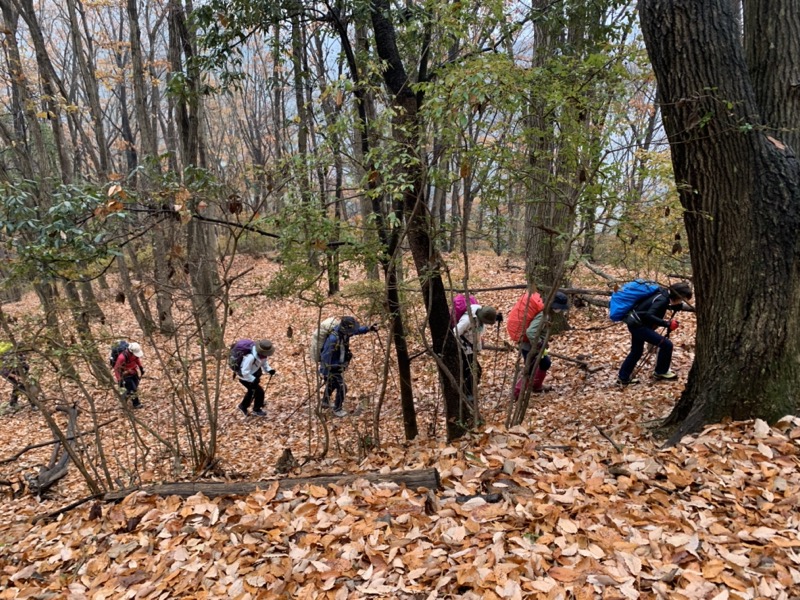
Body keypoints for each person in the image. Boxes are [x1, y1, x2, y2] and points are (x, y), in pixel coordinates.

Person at [617, 281, 693, 385]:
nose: (681, 302)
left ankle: (623, 378)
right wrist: (667, 324)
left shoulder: (662, 294)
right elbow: (649, 314)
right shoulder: (662, 299)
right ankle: (661, 372)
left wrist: (672, 307)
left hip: (634, 322)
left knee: (636, 351)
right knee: (666, 344)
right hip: (639, 326)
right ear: (677, 295)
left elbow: (652, 307)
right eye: (681, 299)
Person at [514, 291, 569, 397]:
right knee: (529, 369)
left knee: (545, 363)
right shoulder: (543, 316)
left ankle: (536, 385)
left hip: (534, 345)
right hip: (529, 345)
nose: (560, 310)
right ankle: (517, 393)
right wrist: (539, 343)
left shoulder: (547, 314)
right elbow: (530, 332)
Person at [319, 317, 378, 417]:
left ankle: (325, 402)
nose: (352, 332)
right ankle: (337, 409)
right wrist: (334, 367)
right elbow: (325, 356)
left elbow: (356, 331)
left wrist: (369, 328)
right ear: (344, 328)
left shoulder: (344, 334)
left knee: (332, 384)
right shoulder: (333, 339)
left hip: (336, 366)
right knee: (342, 387)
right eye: (350, 330)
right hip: (330, 368)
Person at [454, 303, 500, 400]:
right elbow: (454, 333)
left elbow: (478, 333)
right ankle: (467, 394)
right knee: (474, 371)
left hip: (470, 350)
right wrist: (464, 346)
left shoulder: (479, 314)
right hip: (463, 350)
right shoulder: (467, 320)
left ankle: (467, 392)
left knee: (472, 371)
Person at [237, 339, 276, 417]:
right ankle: (256, 409)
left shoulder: (263, 356)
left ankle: (244, 406)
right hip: (244, 378)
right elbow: (244, 371)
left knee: (253, 392)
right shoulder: (250, 357)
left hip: (253, 375)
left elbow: (264, 364)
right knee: (259, 392)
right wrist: (252, 379)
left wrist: (269, 370)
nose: (266, 355)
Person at [114, 341, 145, 409]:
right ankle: (136, 404)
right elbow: (116, 369)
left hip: (134, 372)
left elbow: (137, 359)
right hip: (125, 375)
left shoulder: (134, 355)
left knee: (134, 387)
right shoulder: (121, 357)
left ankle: (125, 397)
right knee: (133, 389)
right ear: (131, 351)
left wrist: (141, 367)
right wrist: (119, 379)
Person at [0, 342, 30, 407]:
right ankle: (33, 403)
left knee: (18, 385)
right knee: (22, 385)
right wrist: (15, 376)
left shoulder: (21, 355)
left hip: (16, 370)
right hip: (7, 372)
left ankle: (13, 403)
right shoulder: (9, 357)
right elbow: (5, 371)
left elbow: (25, 365)